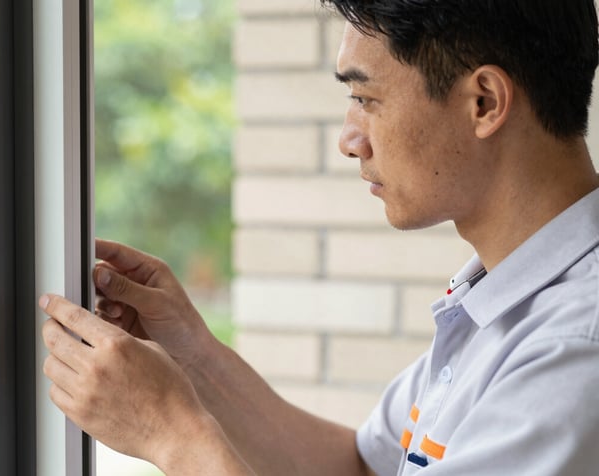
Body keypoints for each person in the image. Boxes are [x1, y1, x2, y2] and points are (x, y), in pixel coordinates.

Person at [39, 0, 599, 474]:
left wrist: (171, 435)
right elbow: (359, 466)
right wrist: (192, 356)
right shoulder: (499, 300)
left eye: (366, 99)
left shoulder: (572, 352)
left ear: (484, 103)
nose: (350, 139)